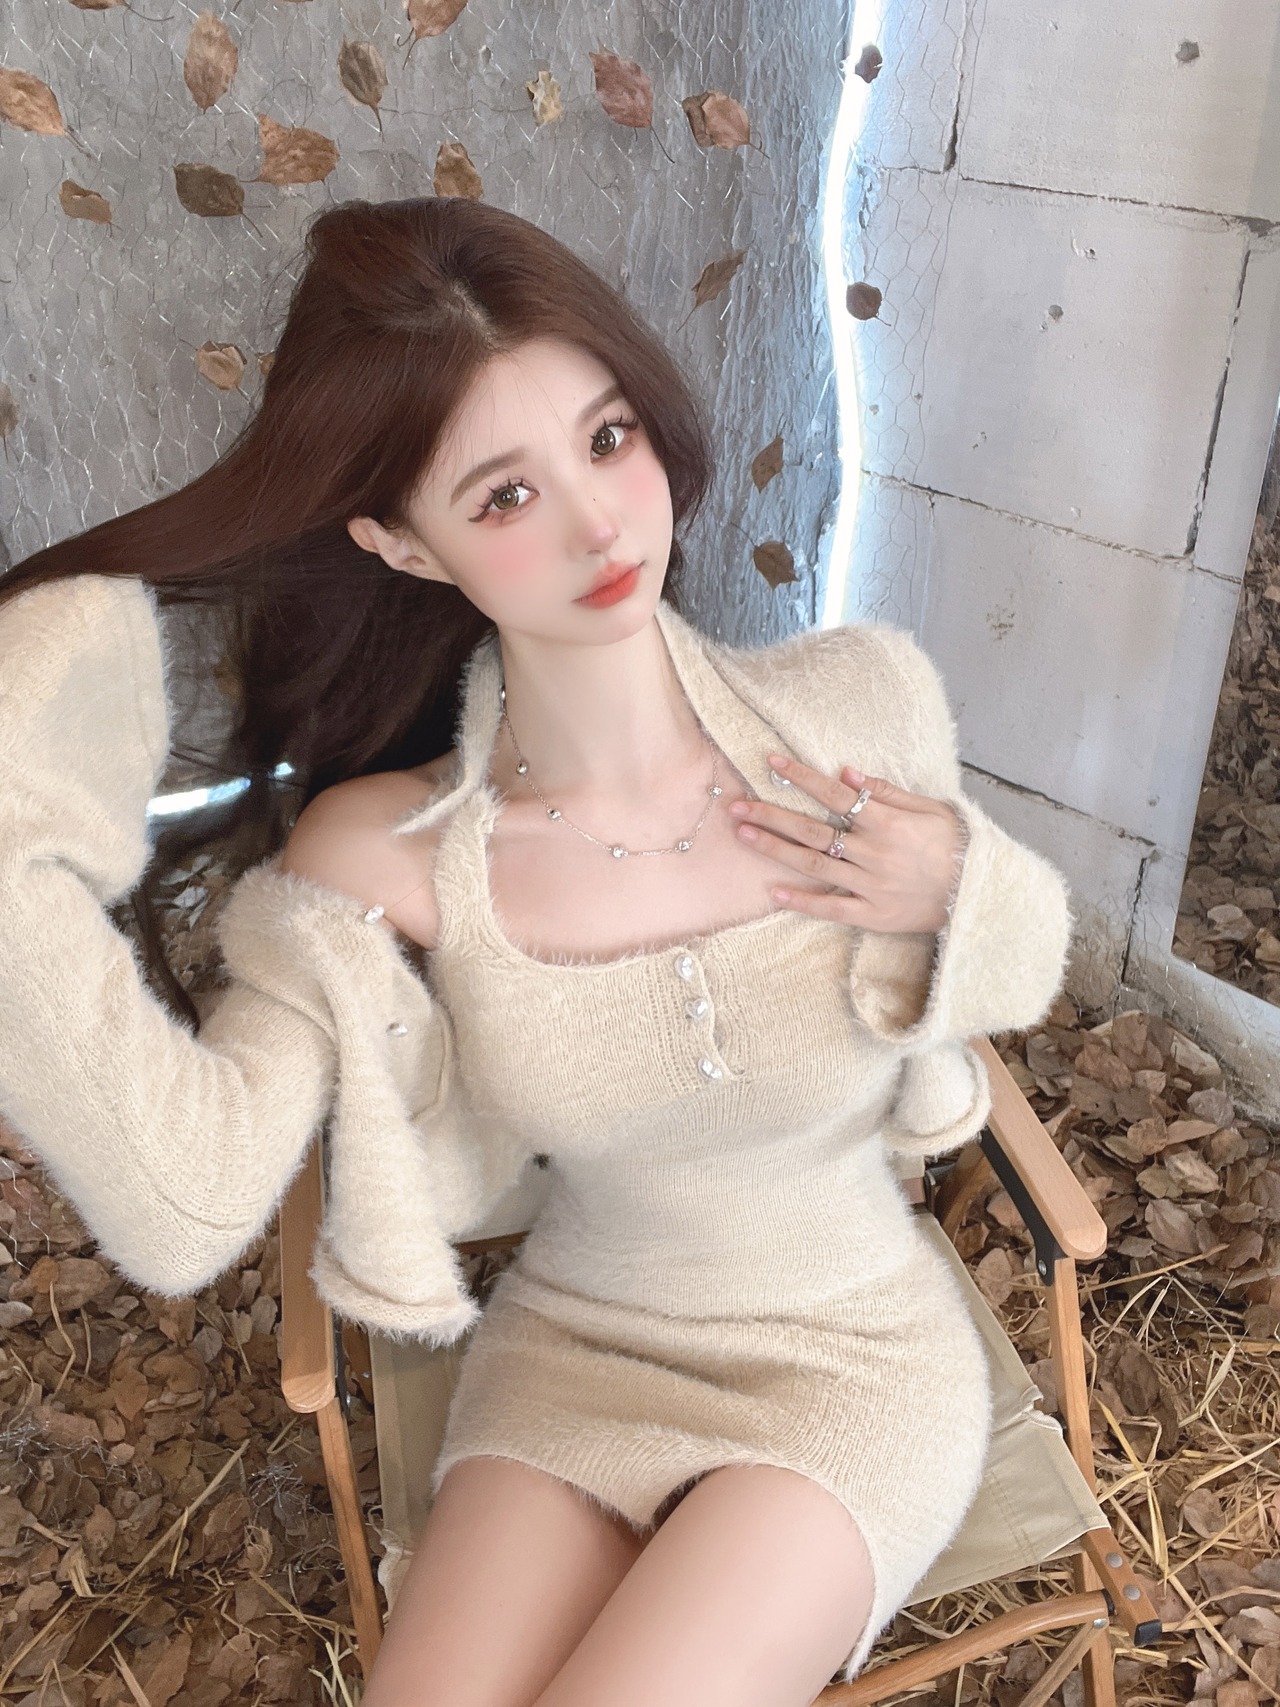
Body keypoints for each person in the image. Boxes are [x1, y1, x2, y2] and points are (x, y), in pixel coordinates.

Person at [0, 196, 1072, 1707]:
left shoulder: (859, 710)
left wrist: (961, 879)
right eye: (504, 496)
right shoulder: (386, 850)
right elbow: (185, 1205)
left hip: (853, 1358)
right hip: (577, 1352)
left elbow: (1021, 968)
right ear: (400, 542)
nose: (599, 525)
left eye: (608, 438)